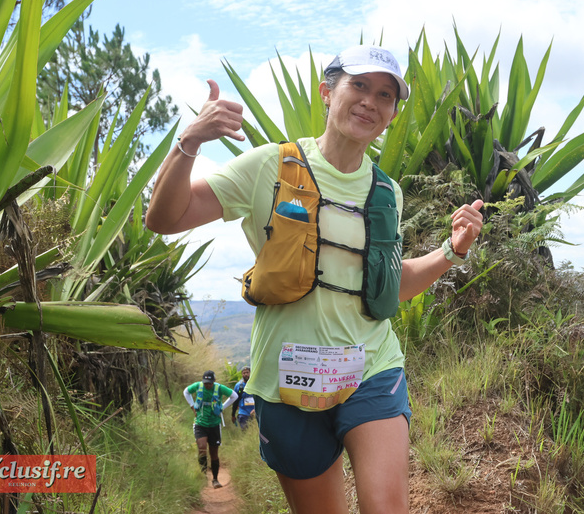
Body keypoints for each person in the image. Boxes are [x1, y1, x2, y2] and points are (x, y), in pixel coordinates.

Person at [148, 45, 484, 514]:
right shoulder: (269, 166)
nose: (370, 101)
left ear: (391, 115)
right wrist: (190, 141)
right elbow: (165, 218)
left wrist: (452, 250)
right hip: (287, 383)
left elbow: (387, 286)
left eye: (385, 95)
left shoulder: (387, 193)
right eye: (359, 85)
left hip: (371, 370)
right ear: (327, 92)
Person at [183, 370, 238, 489]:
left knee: (214, 453)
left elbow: (234, 396)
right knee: (202, 448)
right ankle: (203, 476)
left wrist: (222, 407)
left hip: (214, 425)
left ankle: (215, 479)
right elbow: (186, 391)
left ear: (214, 381)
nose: (207, 385)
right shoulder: (198, 386)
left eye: (209, 383)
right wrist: (192, 407)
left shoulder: (219, 388)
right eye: (205, 383)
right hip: (200, 423)